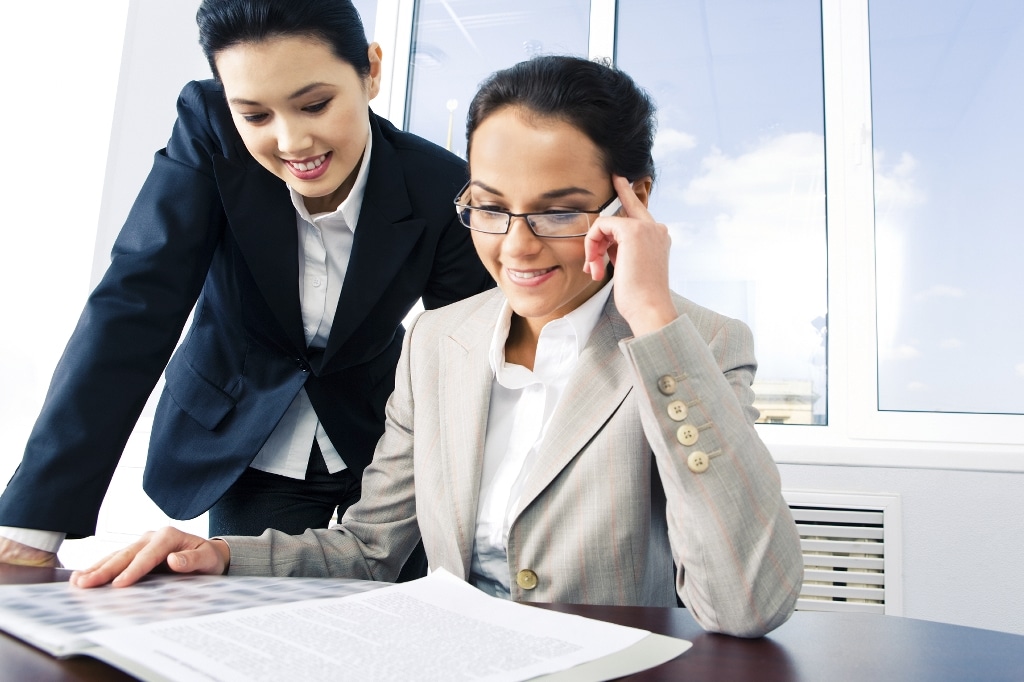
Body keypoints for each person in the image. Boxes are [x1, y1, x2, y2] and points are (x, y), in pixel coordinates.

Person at [71, 55, 804, 638]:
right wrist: (221, 556)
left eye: (559, 212)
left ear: (633, 198)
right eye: (488, 207)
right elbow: (368, 552)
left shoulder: (697, 343)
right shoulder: (437, 340)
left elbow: (745, 604)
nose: (516, 245)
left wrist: (650, 316)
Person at [0, 0, 492, 571]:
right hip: (246, 429)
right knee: (246, 616)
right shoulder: (211, 132)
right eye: (256, 116)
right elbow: (137, 303)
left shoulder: (441, 184)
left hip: (378, 439)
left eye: (315, 104)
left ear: (372, 71)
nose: (293, 141)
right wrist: (33, 524)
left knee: (402, 615)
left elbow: (466, 346)